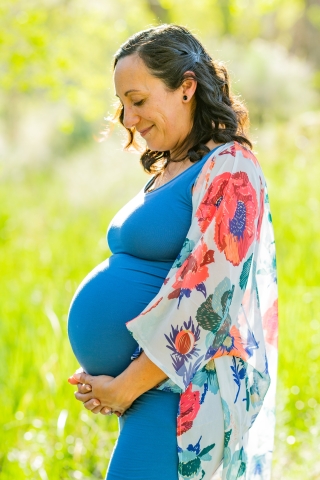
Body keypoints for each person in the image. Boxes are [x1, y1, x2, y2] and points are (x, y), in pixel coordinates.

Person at [67, 24, 278, 480]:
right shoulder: (171, 169)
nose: (128, 119)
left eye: (138, 101)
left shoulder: (231, 167)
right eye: (122, 105)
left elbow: (209, 296)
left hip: (180, 396)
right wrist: (111, 379)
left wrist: (126, 385)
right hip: (153, 393)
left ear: (187, 87)